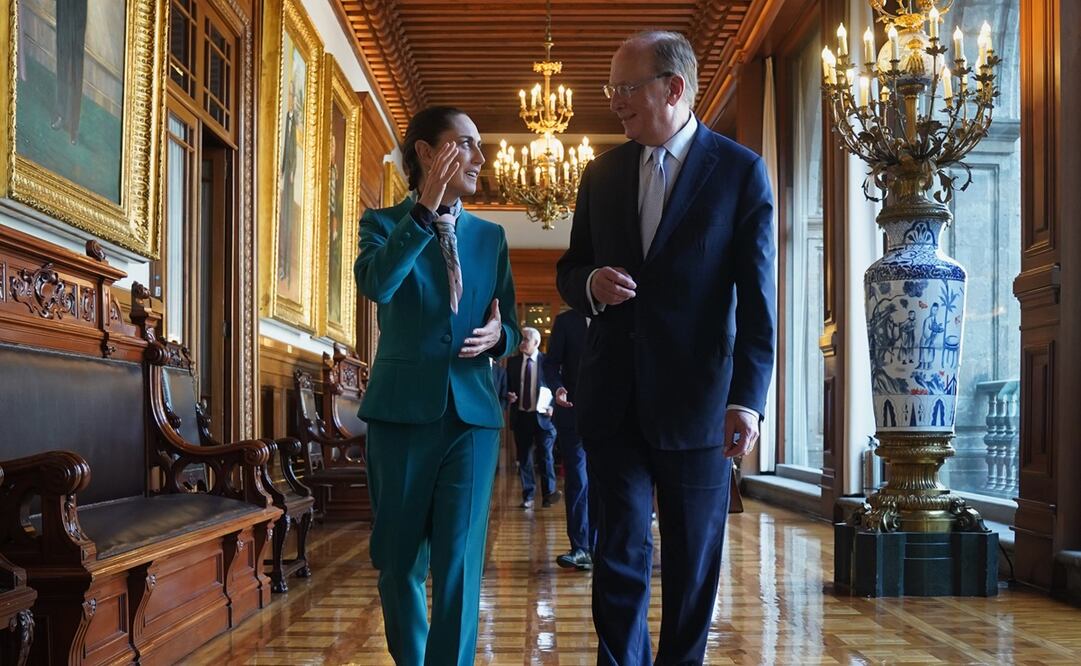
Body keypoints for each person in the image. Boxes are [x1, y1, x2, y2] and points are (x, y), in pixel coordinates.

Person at [555, 31, 776, 665]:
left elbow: (759, 301)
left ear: (674, 88)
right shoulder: (601, 174)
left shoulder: (739, 171)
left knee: (691, 567)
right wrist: (590, 285)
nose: (614, 102)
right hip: (613, 400)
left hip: (699, 406)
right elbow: (571, 270)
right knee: (618, 557)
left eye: (626, 88)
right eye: (612, 88)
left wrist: (748, 400)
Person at [355, 106, 519, 666]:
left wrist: (500, 336)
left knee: (459, 566)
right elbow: (378, 285)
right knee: (400, 562)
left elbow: (509, 324)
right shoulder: (381, 224)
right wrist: (423, 211)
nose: (479, 157)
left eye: (479, 145)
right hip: (400, 415)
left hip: (473, 419)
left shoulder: (491, 238)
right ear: (426, 153)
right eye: (465, 143)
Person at [543, 308, 594, 570]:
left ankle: (604, 546)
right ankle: (581, 547)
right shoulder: (566, 321)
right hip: (573, 411)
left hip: (617, 415)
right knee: (578, 479)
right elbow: (551, 363)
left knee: (610, 481)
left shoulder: (622, 314)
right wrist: (558, 387)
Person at [506, 327, 561, 509]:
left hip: (543, 417)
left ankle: (548, 494)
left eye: (525, 339)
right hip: (522, 416)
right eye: (521, 339)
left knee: (546, 456)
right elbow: (507, 387)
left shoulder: (547, 362)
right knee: (525, 458)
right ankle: (528, 496)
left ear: (536, 343)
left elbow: (557, 386)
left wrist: (553, 407)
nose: (522, 343)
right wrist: (509, 395)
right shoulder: (513, 363)